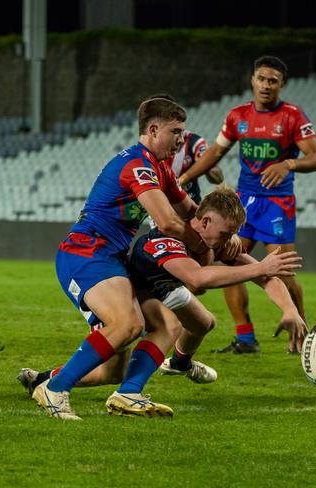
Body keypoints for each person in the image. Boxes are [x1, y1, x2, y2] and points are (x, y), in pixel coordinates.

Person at [19, 186, 306, 411]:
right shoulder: (166, 240)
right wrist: (259, 266)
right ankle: (66, 384)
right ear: (205, 221)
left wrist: (289, 310)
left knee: (203, 323)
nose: (231, 240)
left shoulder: (212, 239)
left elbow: (266, 277)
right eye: (226, 233)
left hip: (163, 290)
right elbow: (197, 279)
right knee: (125, 362)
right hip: (131, 294)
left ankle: (177, 364)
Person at [31, 95, 216, 420]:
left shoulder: (162, 170)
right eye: (176, 132)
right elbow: (170, 223)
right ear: (153, 129)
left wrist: (220, 234)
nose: (181, 140)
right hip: (85, 253)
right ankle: (55, 388)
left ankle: (126, 393)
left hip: (112, 260)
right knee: (128, 324)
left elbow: (192, 213)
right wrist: (201, 246)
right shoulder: (137, 164)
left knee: (164, 326)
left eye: (183, 132)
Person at [177, 55, 316, 354]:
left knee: (282, 272)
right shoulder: (237, 116)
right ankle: (245, 338)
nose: (266, 85)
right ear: (252, 80)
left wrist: (289, 164)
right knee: (233, 263)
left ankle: (301, 329)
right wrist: (184, 178)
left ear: (282, 84)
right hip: (244, 202)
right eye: (261, 78)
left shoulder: (294, 117)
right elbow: (215, 152)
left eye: (273, 80)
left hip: (277, 203)